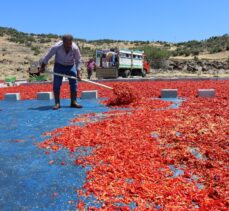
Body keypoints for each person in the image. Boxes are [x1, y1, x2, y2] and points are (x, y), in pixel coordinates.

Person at [40, 34, 82, 110]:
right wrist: (42, 67)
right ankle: (57, 103)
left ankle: (73, 102)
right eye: (66, 44)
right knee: (56, 84)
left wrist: (78, 74)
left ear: (71, 42)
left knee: (74, 83)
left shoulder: (75, 48)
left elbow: (78, 61)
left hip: (70, 66)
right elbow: (48, 56)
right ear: (63, 42)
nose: (68, 46)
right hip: (59, 66)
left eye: (69, 44)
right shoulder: (56, 47)